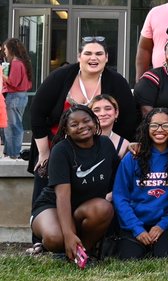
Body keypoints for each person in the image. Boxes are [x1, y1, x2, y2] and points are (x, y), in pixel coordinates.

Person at [29, 37, 136, 191]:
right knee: (50, 194)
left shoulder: (117, 82)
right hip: (55, 146)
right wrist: (44, 153)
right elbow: (37, 112)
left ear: (106, 58)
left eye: (99, 54)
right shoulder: (60, 76)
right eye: (88, 53)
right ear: (79, 57)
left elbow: (128, 119)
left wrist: (113, 149)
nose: (93, 58)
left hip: (97, 150)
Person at [29, 105, 118, 263]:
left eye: (86, 121)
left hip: (84, 208)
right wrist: (68, 234)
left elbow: (118, 177)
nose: (82, 126)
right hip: (53, 206)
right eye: (74, 124)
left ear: (95, 122)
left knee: (103, 208)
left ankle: (84, 252)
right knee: (55, 238)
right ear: (66, 130)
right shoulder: (61, 150)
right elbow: (62, 197)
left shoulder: (105, 145)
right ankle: (66, 247)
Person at [112, 109, 168, 260]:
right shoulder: (133, 156)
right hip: (135, 223)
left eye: (165, 125)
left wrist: (163, 225)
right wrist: (137, 229)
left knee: (164, 257)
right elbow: (120, 196)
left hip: (166, 223)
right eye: (154, 125)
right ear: (147, 127)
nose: (159, 130)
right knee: (130, 259)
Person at [3, 38, 32, 159]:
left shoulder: (15, 63)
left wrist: (2, 74)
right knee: (14, 125)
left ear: (11, 49)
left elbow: (13, 82)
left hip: (14, 96)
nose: (4, 51)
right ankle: (11, 152)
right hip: (22, 96)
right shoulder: (23, 62)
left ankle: (13, 153)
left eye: (5, 49)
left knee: (12, 126)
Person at [89, 94, 132, 159]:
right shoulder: (81, 139)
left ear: (116, 113)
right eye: (96, 110)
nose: (102, 114)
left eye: (108, 109)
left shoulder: (124, 145)